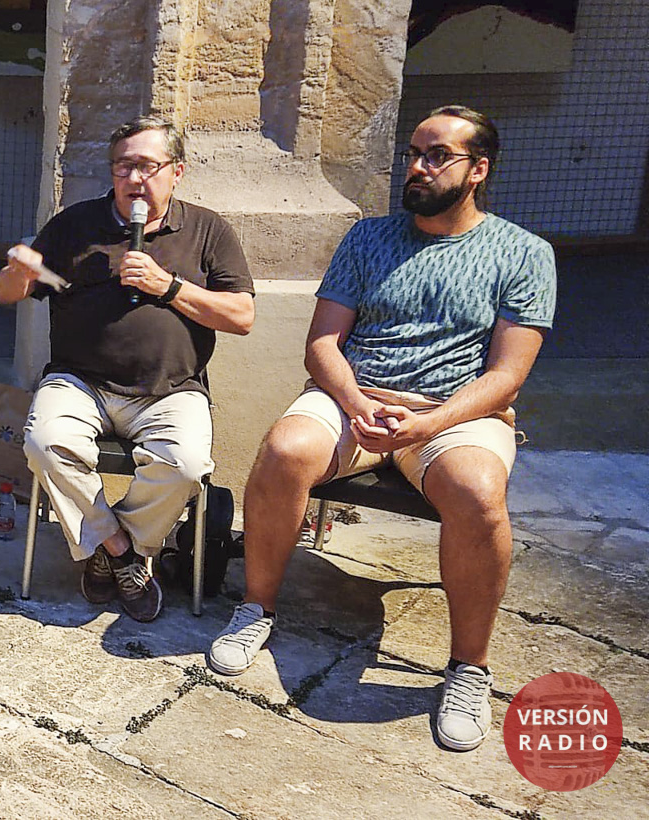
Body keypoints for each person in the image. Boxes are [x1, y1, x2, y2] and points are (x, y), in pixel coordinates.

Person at [207, 106, 555, 753]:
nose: (417, 167)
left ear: (479, 169)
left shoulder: (525, 254)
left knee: (479, 492)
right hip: (355, 402)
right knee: (284, 449)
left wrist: (426, 423)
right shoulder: (367, 238)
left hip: (455, 415)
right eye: (413, 153)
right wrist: (353, 401)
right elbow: (323, 344)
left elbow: (507, 377)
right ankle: (255, 608)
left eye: (437, 155)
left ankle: (469, 668)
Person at [0, 115, 254, 622]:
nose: (134, 178)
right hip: (80, 382)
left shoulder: (208, 230)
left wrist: (168, 286)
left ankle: (109, 549)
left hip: (171, 390)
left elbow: (242, 317)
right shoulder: (75, 224)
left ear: (177, 171)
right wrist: (16, 271)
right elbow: (8, 294)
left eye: (147, 166)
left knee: (185, 465)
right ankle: (122, 553)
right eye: (122, 166)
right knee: (44, 443)